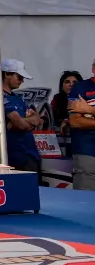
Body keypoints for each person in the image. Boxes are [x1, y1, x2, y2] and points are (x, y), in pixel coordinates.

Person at [0, 59, 43, 174]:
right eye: (19, 77)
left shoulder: (18, 98)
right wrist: (26, 122)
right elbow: (21, 124)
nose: (22, 81)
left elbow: (38, 120)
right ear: (7, 74)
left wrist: (23, 122)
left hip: (30, 154)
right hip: (14, 157)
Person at [66, 58, 95, 190]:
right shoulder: (80, 88)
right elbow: (75, 122)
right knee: (85, 198)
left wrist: (89, 110)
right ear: (93, 69)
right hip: (87, 152)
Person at [51, 70, 82, 140]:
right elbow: (50, 114)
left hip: (81, 137)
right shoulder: (57, 98)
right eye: (67, 82)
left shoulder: (86, 98)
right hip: (60, 138)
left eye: (75, 82)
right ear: (62, 86)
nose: (71, 85)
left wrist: (67, 120)